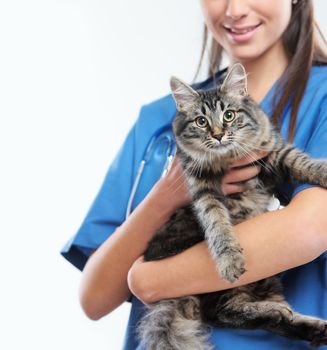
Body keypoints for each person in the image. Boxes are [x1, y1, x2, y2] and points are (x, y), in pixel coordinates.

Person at [61, 0, 327, 349]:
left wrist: (149, 278)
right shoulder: (156, 120)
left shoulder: (320, 97)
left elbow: (310, 228)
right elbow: (94, 299)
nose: (234, 10)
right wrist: (163, 200)